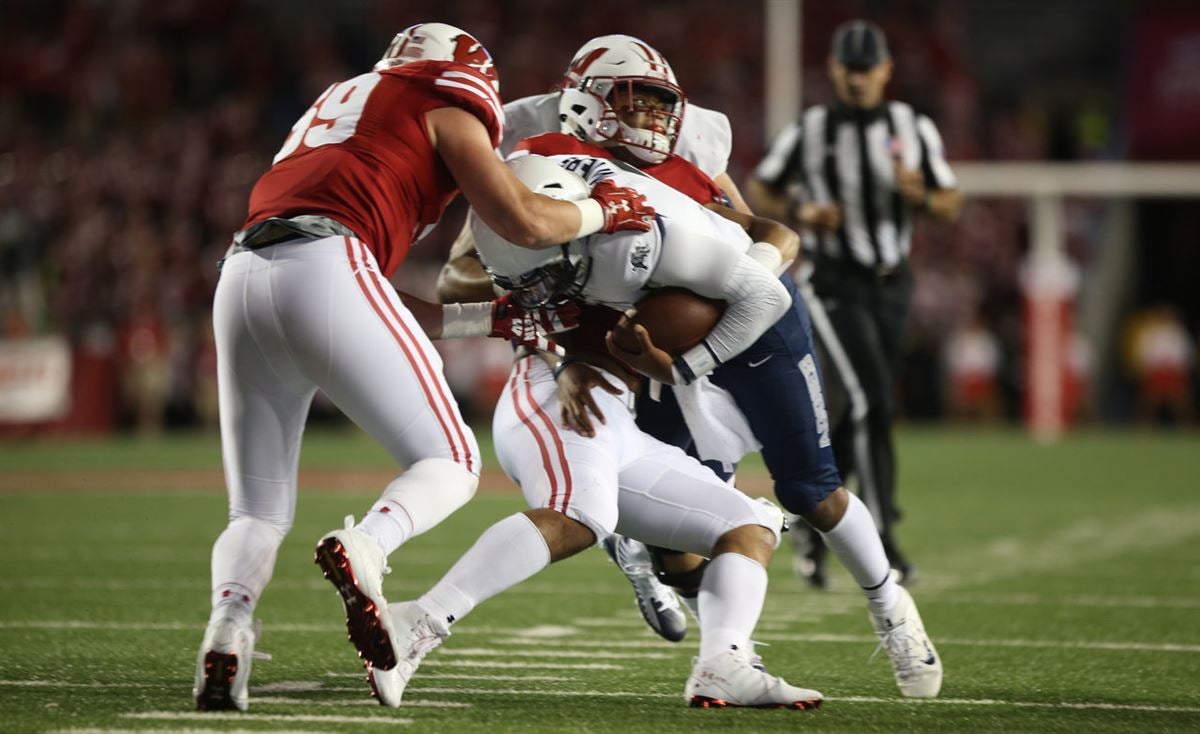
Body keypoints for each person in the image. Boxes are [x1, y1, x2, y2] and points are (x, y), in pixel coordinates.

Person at [192, 22, 656, 712]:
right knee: (452, 460)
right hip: (329, 267)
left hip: (244, 276)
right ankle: (368, 546)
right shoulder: (440, 93)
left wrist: (492, 321)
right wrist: (599, 210)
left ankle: (226, 636)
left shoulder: (344, 101)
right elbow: (523, 218)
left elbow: (407, 305)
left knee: (257, 511)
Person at [367, 153, 824, 710]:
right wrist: (350, 292)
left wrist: (682, 368)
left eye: (548, 270)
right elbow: (448, 318)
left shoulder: (641, 237)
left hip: (612, 413)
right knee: (584, 514)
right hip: (550, 395)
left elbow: (766, 292)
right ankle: (420, 620)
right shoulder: (530, 269)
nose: (544, 290)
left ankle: (723, 664)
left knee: (749, 522)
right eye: (526, 279)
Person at [436, 34, 755, 644]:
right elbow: (457, 284)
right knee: (598, 508)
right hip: (577, 354)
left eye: (662, 104)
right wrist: (544, 315)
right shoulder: (535, 150)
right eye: (638, 101)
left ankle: (721, 648)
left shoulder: (690, 144)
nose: (653, 117)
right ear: (587, 103)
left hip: (665, 355)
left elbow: (752, 247)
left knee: (691, 555)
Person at [746, 20, 962, 586]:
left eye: (867, 68)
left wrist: (922, 196)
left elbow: (949, 202)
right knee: (872, 402)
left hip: (893, 283)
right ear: (835, 70)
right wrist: (803, 209)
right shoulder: (812, 129)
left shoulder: (912, 126)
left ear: (886, 71)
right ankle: (882, 538)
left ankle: (812, 525)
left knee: (859, 412)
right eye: (849, 67)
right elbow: (761, 187)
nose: (858, 78)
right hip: (834, 281)